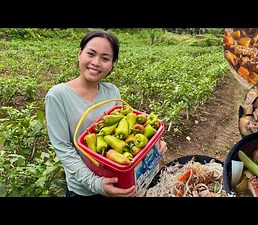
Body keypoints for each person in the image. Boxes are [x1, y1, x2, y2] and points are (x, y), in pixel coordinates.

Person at [45, 29, 167, 197]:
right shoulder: (58, 95)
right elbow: (63, 149)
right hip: (84, 189)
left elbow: (128, 133)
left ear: (111, 64)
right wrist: (96, 184)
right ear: (80, 54)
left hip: (117, 180)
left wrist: (154, 147)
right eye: (91, 54)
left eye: (105, 58)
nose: (96, 62)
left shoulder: (112, 92)